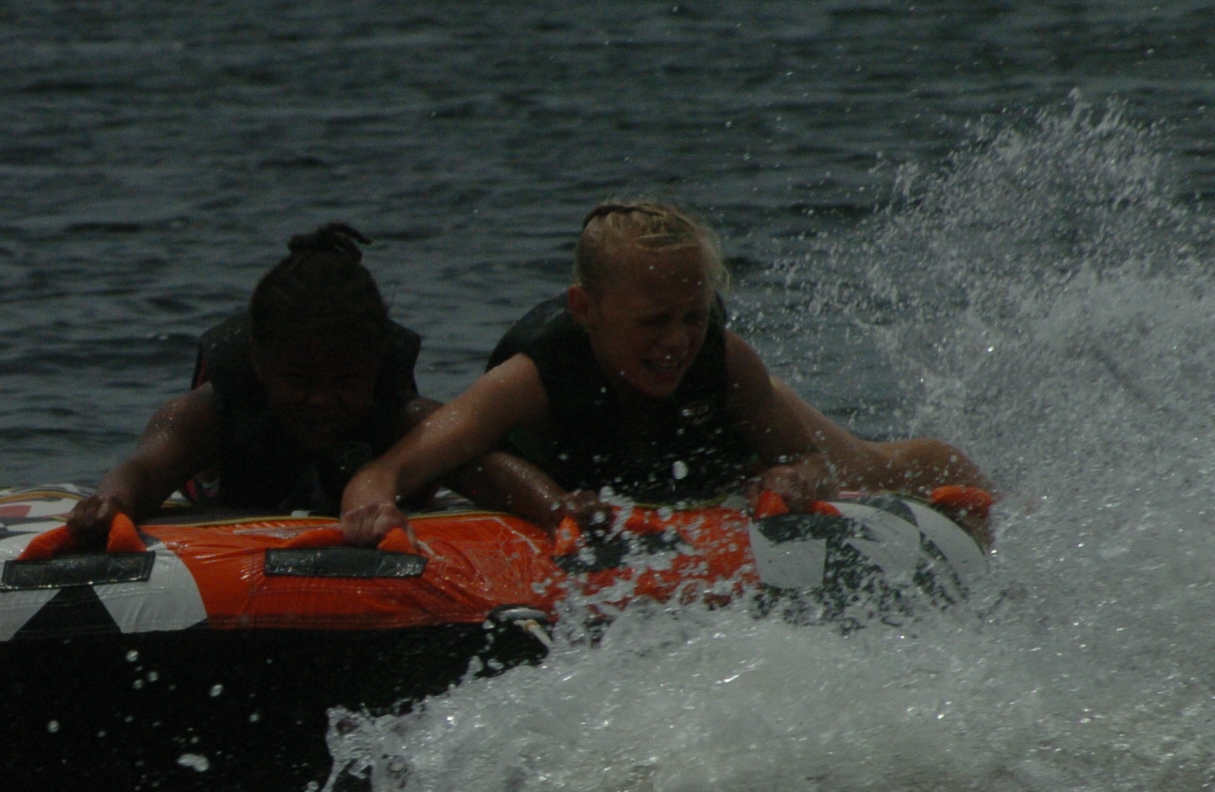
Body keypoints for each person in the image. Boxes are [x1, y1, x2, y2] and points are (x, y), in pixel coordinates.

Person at [339, 200, 991, 546]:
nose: (677, 342)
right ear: (585, 310)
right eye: (652, 321)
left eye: (692, 316)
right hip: (616, 468)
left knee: (871, 467)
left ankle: (986, 501)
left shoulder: (726, 361)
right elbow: (386, 472)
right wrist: (372, 512)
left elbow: (812, 462)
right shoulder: (530, 380)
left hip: (734, 427)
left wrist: (795, 479)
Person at [66, 224, 555, 542]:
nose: (321, 400)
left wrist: (558, 508)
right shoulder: (204, 416)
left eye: (345, 381)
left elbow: (483, 467)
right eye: (300, 381)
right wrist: (110, 505)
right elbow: (142, 469)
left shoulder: (407, 418)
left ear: (374, 367)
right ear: (260, 365)